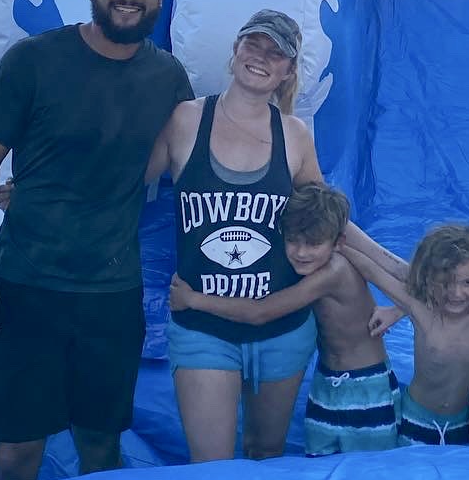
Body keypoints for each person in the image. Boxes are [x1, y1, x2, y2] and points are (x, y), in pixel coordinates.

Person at [0, 0, 193, 480]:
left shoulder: (169, 79)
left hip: (112, 295)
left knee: (102, 449)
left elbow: (188, 160)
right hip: (27, 285)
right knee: (16, 456)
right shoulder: (34, 61)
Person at [146, 9, 324, 462]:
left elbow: (327, 221)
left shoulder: (295, 135)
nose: (261, 57)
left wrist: (401, 278)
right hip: (202, 327)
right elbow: (124, 186)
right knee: (211, 468)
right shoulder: (186, 119)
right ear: (235, 50)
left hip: (281, 329)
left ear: (288, 71)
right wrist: (43, 192)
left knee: (266, 453)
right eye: (254, 44)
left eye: (276, 53)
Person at [167, 182, 401, 456]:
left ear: (338, 243)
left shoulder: (333, 271)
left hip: (364, 386)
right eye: (292, 240)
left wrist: (193, 300)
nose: (301, 253)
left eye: (313, 243)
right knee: (320, 469)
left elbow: (261, 312)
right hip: (328, 383)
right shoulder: (325, 257)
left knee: (368, 472)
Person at [340, 223, 469, 447]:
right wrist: (338, 247)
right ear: (428, 279)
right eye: (445, 283)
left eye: (468, 282)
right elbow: (373, 271)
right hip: (416, 420)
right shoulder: (420, 310)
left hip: (461, 424)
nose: (456, 293)